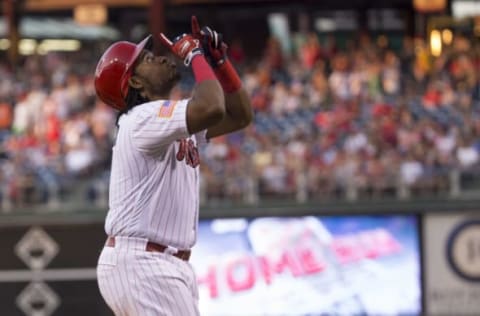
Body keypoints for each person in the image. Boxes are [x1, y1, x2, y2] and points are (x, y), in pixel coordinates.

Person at [94, 16, 253, 316]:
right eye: (147, 60)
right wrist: (195, 55)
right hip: (144, 262)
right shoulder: (141, 119)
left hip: (157, 263)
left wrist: (220, 65)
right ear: (136, 82)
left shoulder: (166, 122)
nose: (160, 59)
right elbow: (212, 107)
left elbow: (239, 115)